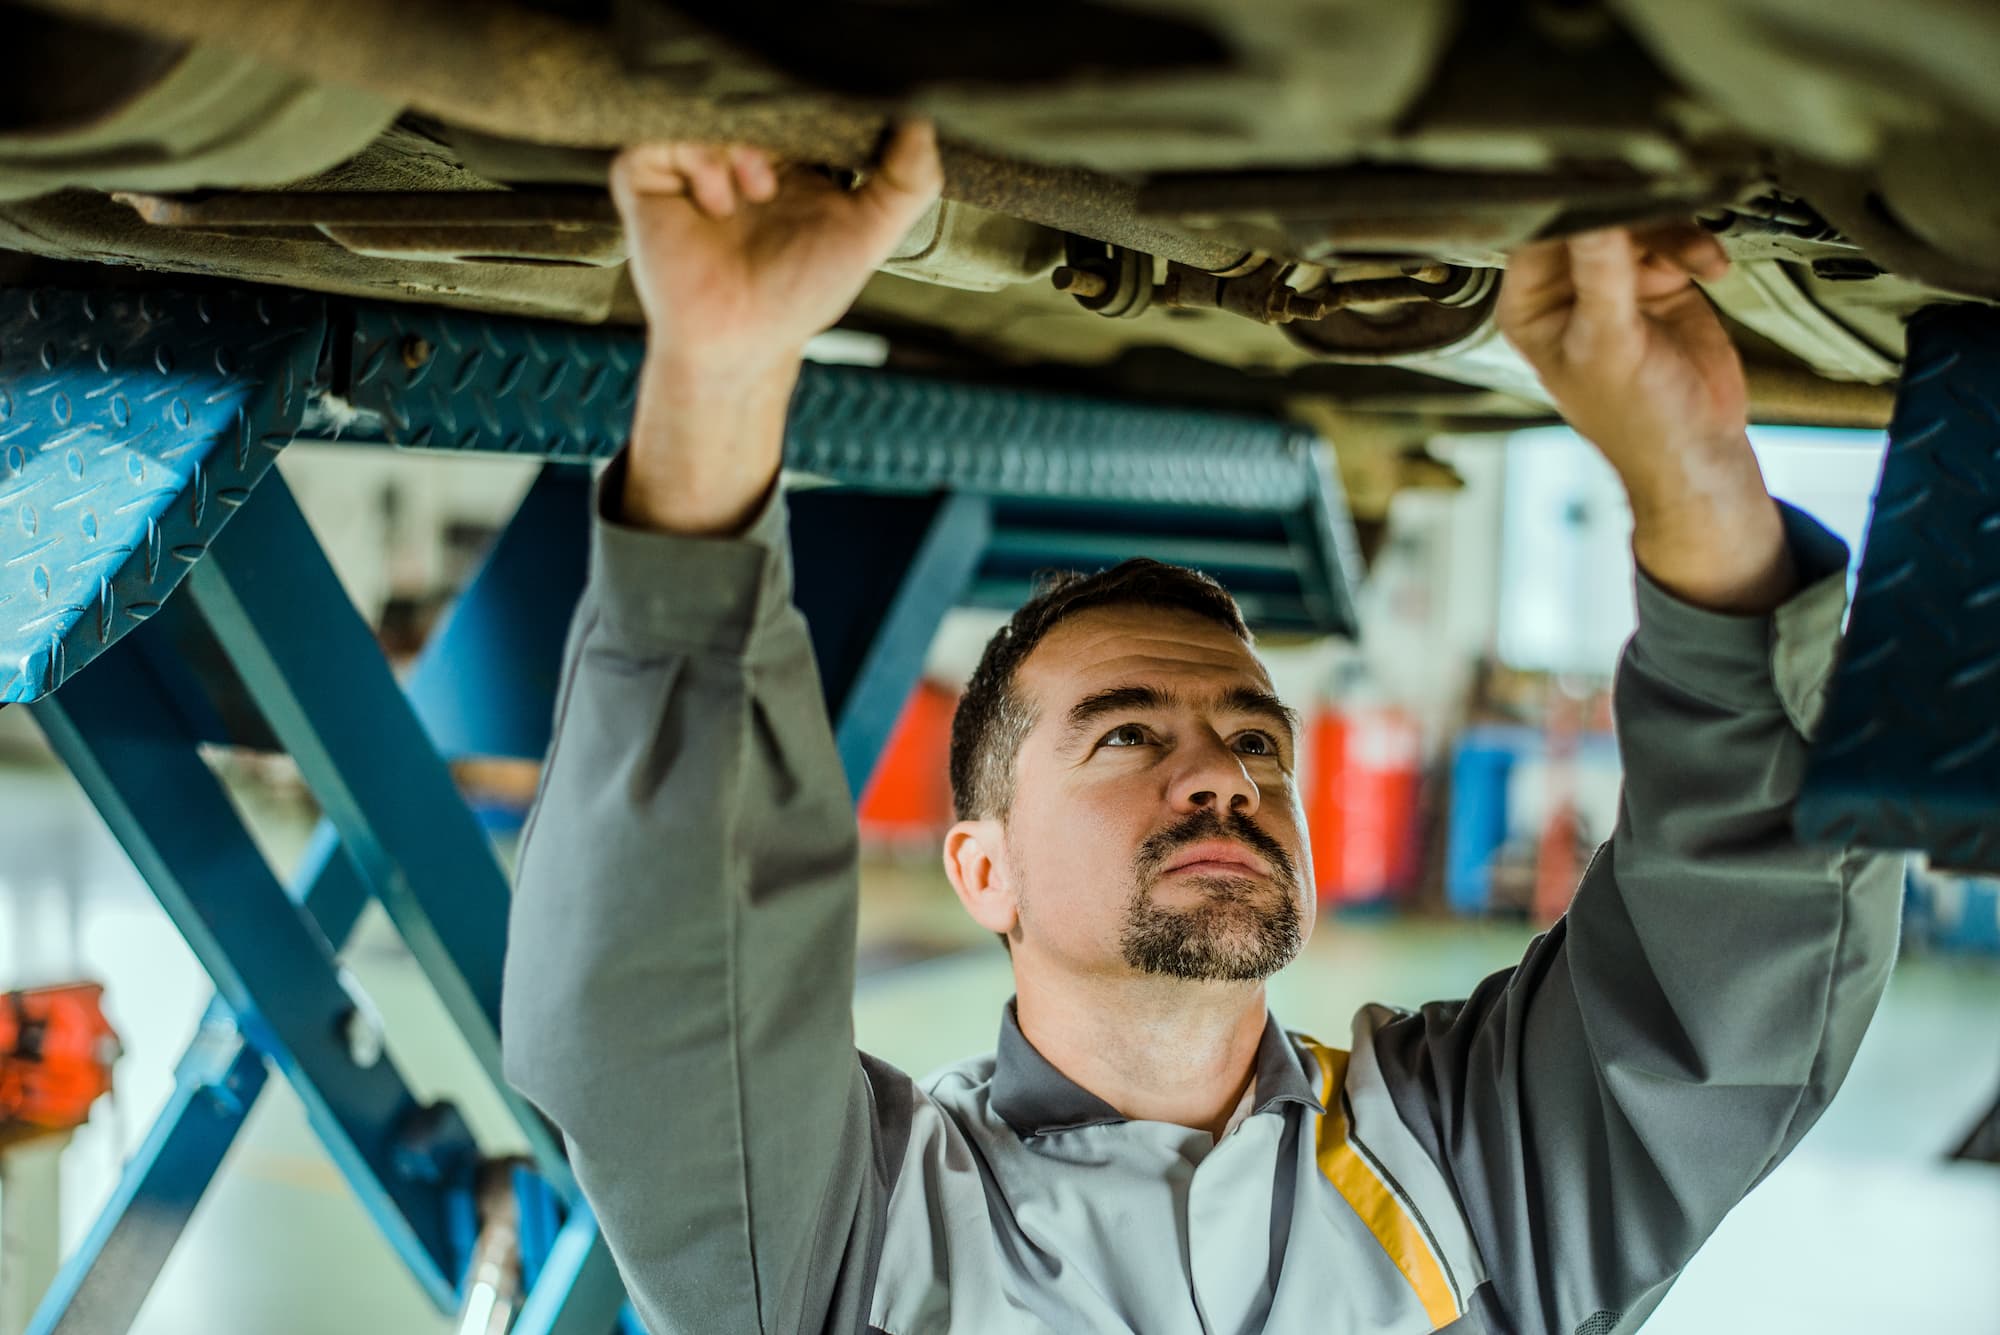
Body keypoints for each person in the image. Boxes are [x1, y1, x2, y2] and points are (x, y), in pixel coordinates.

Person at [500, 123, 1901, 1335]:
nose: (1223, 775)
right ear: (980, 867)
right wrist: (721, 381)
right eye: (1122, 736)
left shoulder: (1468, 1171)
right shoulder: (860, 1232)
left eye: (1259, 741)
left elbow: (1735, 977)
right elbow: (661, 1011)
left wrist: (1693, 472)